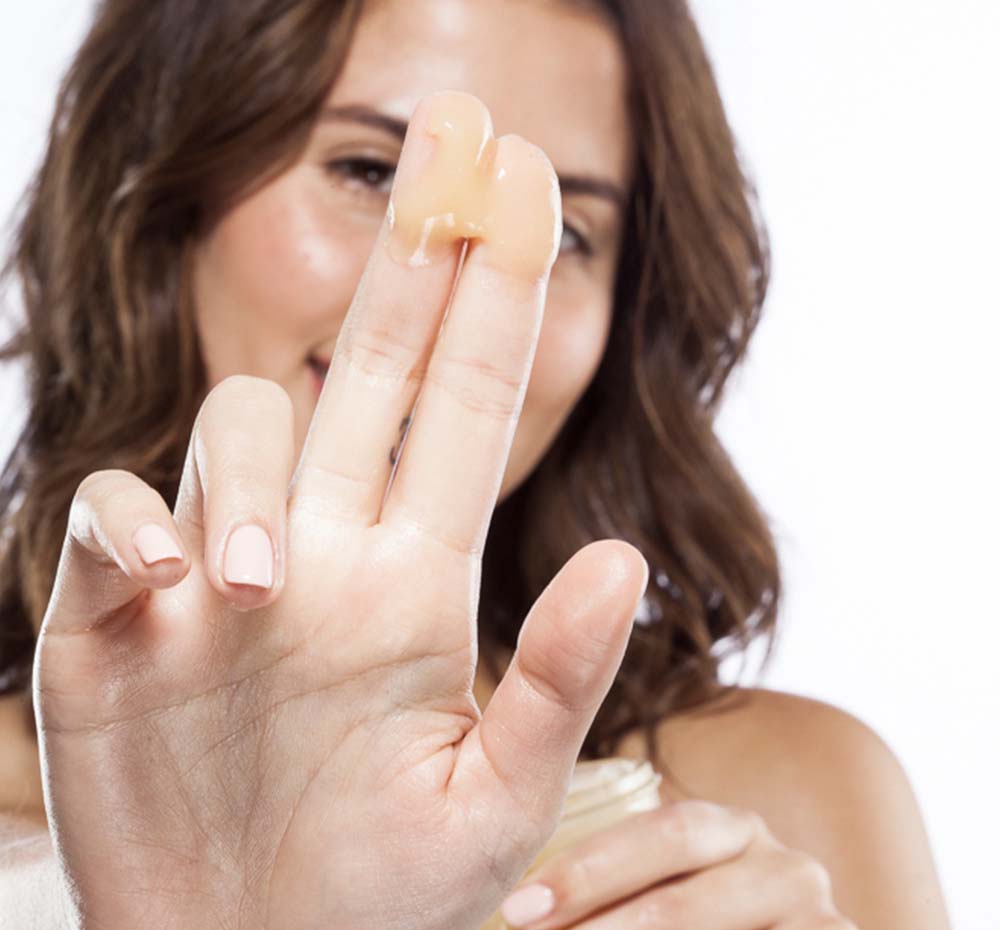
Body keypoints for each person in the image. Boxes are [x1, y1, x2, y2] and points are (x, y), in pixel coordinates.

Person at [0, 0, 951, 928]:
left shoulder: (795, 800)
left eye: (565, 230)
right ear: (162, 207)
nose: (473, 285)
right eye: (370, 170)